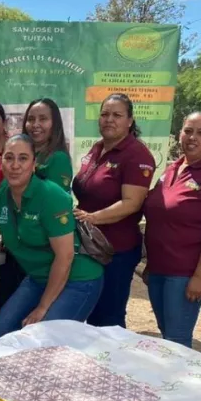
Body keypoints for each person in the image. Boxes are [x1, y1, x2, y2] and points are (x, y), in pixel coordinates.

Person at [0, 135, 103, 339]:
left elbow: (65, 257)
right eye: (9, 158)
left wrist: (43, 307)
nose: (15, 165)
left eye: (23, 158)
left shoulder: (51, 196)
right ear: (1, 163)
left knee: (43, 339)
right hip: (38, 278)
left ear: (34, 164)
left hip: (77, 278)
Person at [142, 112, 201, 348]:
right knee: (167, 332)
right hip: (160, 267)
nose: (192, 137)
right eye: (188, 131)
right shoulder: (172, 169)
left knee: (177, 339)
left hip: (186, 272)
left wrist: (200, 278)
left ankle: (177, 384)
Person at [72, 94, 154, 328]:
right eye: (105, 114)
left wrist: (92, 218)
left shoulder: (137, 155)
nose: (109, 120)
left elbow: (132, 203)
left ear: (129, 121)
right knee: (91, 313)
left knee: (108, 318)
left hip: (116, 251)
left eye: (117, 115)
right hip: (88, 246)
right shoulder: (98, 148)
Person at [23, 98, 72, 190]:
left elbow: (55, 199)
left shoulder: (59, 158)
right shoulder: (21, 155)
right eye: (31, 119)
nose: (35, 125)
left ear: (54, 124)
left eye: (43, 119)